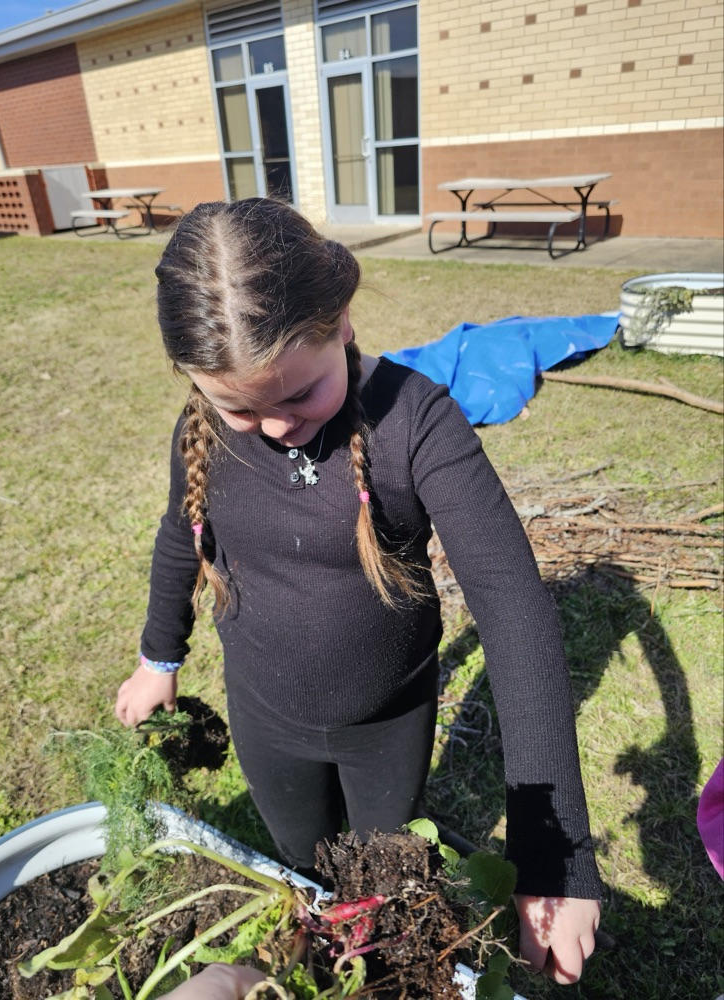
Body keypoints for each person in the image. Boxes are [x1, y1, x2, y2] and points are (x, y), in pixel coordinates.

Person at [115, 198, 602, 985]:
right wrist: (157, 658)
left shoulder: (417, 421)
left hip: (387, 724)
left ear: (341, 320)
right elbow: (182, 534)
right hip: (265, 717)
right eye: (240, 407)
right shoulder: (199, 432)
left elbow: (513, 612)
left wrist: (552, 849)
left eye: (299, 395)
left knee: (386, 885)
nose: (275, 428)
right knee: (301, 876)